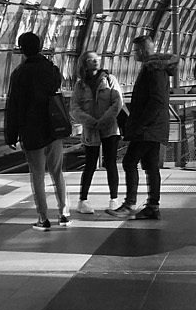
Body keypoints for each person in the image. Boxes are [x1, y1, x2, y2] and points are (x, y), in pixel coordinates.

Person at [110, 35, 179, 221]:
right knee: (150, 165)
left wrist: (142, 124)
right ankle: (152, 206)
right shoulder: (156, 68)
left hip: (148, 128)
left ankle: (130, 204)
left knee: (129, 162)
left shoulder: (153, 70)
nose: (133, 55)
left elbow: (157, 100)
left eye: (134, 51)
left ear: (141, 51)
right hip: (154, 127)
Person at [4, 31, 69, 230]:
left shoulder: (20, 73)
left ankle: (43, 217)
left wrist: (11, 134)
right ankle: (64, 212)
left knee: (37, 175)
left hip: (31, 131)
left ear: (21, 48)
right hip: (52, 128)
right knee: (57, 172)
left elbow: (13, 106)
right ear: (40, 47)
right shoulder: (51, 69)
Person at [69, 51, 124, 213]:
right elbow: (74, 108)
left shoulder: (110, 80)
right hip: (91, 129)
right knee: (90, 164)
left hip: (110, 128)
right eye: (91, 60)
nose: (95, 62)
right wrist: (91, 121)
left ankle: (114, 199)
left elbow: (117, 102)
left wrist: (104, 120)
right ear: (84, 63)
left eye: (97, 59)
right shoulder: (80, 86)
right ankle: (83, 200)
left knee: (111, 163)